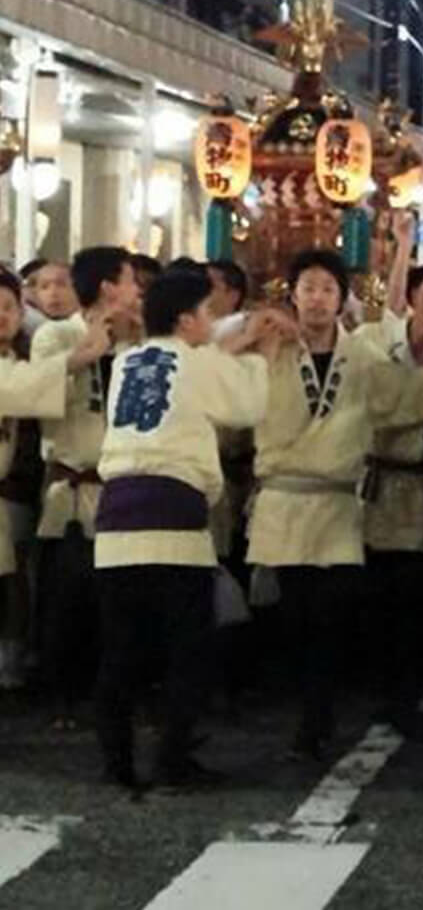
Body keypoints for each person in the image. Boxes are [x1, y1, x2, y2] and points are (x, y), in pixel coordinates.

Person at [245, 250, 423, 760]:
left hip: (337, 504)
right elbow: (222, 380)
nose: (317, 297)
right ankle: (309, 715)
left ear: (342, 299)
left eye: (328, 289)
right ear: (292, 294)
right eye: (308, 287)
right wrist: (251, 330)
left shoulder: (360, 355)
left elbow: (402, 399)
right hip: (284, 500)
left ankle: (318, 719)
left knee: (330, 619)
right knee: (293, 619)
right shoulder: (269, 346)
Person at [92, 271, 278, 790]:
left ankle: (117, 762)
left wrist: (229, 348)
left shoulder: (128, 360)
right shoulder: (197, 360)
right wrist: (259, 353)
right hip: (173, 508)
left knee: (121, 651)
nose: (213, 322)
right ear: (185, 319)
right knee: (186, 649)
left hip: (115, 516)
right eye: (208, 312)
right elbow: (246, 405)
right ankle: (172, 762)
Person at [355, 215, 423, 735]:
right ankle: (382, 689)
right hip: (380, 490)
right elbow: (380, 402)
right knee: (378, 597)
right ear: (415, 295)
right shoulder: (380, 340)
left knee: (420, 599)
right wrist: (402, 247)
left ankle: (408, 692)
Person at [33, 246, 143, 727]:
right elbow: (39, 394)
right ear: (107, 288)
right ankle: (62, 698)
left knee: (119, 604)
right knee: (65, 600)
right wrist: (84, 355)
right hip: (73, 489)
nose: (138, 290)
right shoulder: (55, 335)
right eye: (131, 280)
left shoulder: (138, 342)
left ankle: (115, 697)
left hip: (123, 488)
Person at [0, 270, 109, 691]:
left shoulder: (16, 360)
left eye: (9, 307)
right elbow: (17, 389)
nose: (3, 317)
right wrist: (77, 358)